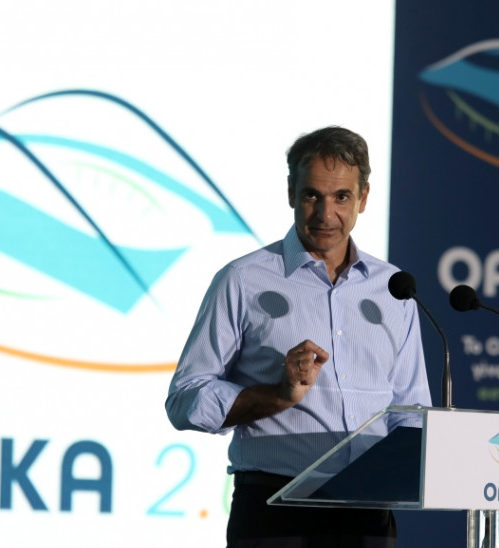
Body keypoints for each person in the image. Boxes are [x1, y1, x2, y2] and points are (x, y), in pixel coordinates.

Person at [165, 126, 432, 547]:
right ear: (291, 192)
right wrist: (276, 395)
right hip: (275, 513)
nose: (326, 214)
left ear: (363, 198)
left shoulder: (393, 288)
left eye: (341, 197)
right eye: (311, 196)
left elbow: (412, 412)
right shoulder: (243, 280)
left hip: (368, 516)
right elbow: (185, 399)